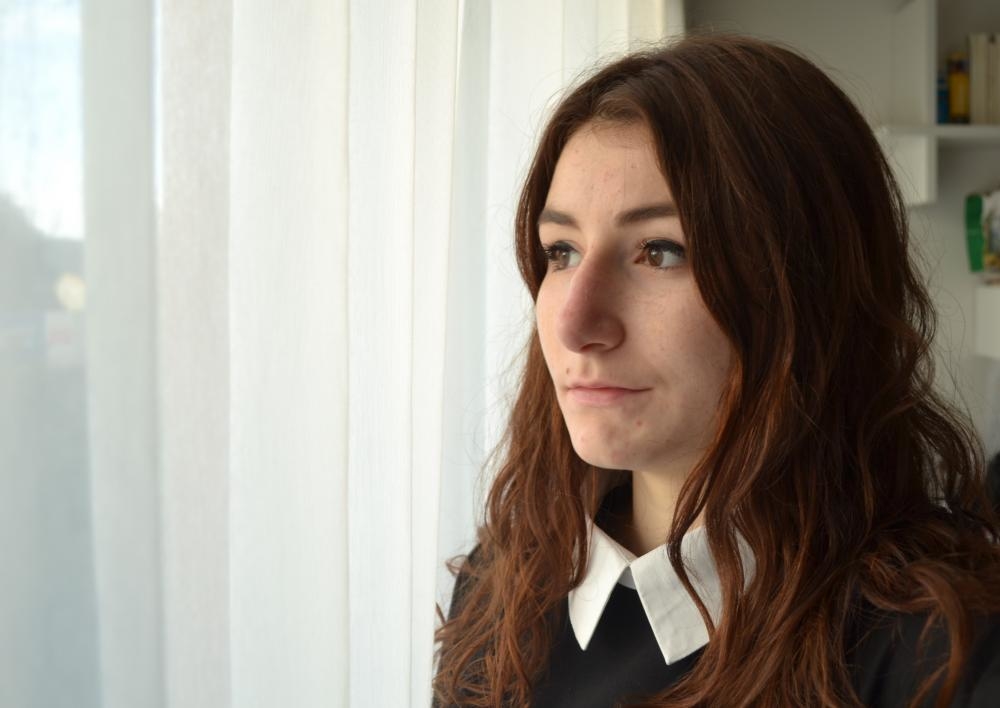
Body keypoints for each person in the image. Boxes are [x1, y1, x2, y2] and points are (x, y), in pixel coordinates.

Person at [431, 33, 1000, 708]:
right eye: (562, 251)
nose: (572, 324)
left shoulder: (944, 654)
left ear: (807, 291)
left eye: (660, 251)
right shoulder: (499, 586)